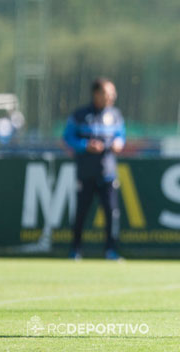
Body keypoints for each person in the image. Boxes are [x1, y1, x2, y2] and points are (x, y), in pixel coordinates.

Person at [63, 78, 126, 261]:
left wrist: (118, 143)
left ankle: (111, 251)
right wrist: (85, 145)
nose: (112, 97)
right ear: (96, 94)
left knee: (111, 213)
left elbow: (121, 134)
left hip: (107, 172)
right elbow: (68, 138)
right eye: (108, 93)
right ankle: (75, 250)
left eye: (112, 93)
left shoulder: (115, 115)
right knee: (81, 213)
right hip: (86, 172)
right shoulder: (80, 115)